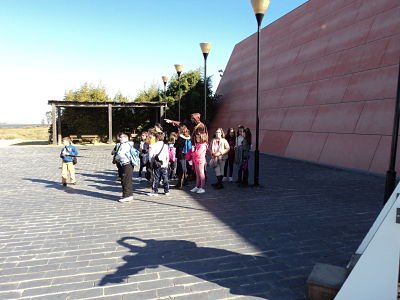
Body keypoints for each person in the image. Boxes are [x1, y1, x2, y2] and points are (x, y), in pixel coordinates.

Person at [114, 133, 137, 202]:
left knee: (125, 180)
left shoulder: (125, 145)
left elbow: (120, 155)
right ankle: (127, 194)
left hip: (126, 164)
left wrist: (116, 158)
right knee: (126, 180)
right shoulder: (129, 144)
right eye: (120, 137)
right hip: (128, 164)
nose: (120, 138)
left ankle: (127, 195)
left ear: (126, 138)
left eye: (121, 137)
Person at [148, 131, 169, 196]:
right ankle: (166, 190)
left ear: (156, 138)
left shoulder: (154, 146)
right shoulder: (165, 146)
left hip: (157, 164)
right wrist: (167, 163)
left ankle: (155, 191)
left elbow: (151, 156)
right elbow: (167, 155)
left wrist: (150, 162)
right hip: (164, 164)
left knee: (156, 177)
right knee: (165, 177)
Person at [174, 125, 191, 189]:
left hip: (180, 155)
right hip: (186, 155)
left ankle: (180, 184)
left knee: (180, 169)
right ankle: (185, 182)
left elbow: (175, 145)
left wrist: (176, 139)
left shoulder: (180, 137)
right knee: (185, 168)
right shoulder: (189, 137)